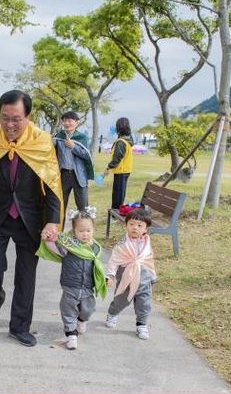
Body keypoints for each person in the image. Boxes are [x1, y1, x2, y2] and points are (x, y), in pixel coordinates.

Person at [0, 90, 62, 347]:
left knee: (26, 276)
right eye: (4, 118)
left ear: (28, 116)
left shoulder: (41, 141)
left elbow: (52, 183)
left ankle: (19, 326)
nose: (10, 125)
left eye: (16, 119)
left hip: (30, 219)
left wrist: (52, 220)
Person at [37, 207, 106, 351]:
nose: (85, 234)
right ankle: (71, 334)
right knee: (68, 310)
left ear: (93, 230)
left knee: (88, 309)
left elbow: (97, 267)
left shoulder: (95, 248)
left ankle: (81, 320)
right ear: (74, 231)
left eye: (88, 230)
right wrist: (50, 240)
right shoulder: (68, 246)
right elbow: (54, 247)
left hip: (87, 287)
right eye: (81, 231)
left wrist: (104, 278)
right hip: (70, 286)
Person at [104, 209, 156, 340]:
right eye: (131, 224)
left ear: (146, 229)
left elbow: (149, 260)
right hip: (126, 278)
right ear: (126, 225)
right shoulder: (122, 244)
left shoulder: (146, 243)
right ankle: (112, 313)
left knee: (144, 304)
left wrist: (152, 276)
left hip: (144, 279)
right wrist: (110, 275)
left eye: (139, 225)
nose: (135, 228)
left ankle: (141, 324)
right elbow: (114, 260)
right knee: (121, 300)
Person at [53, 111, 94, 214]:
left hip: (79, 174)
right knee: (60, 205)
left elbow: (86, 155)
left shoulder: (82, 137)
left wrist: (73, 147)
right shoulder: (59, 136)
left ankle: (83, 224)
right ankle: (60, 225)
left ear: (76, 122)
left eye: (69, 121)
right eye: (64, 121)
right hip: (63, 174)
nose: (67, 123)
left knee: (83, 206)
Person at [103, 117, 134, 209]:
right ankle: (118, 210)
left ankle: (116, 212)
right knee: (120, 193)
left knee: (117, 195)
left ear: (118, 128)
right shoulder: (127, 139)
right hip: (126, 170)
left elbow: (116, 158)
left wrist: (108, 167)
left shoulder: (121, 142)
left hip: (121, 171)